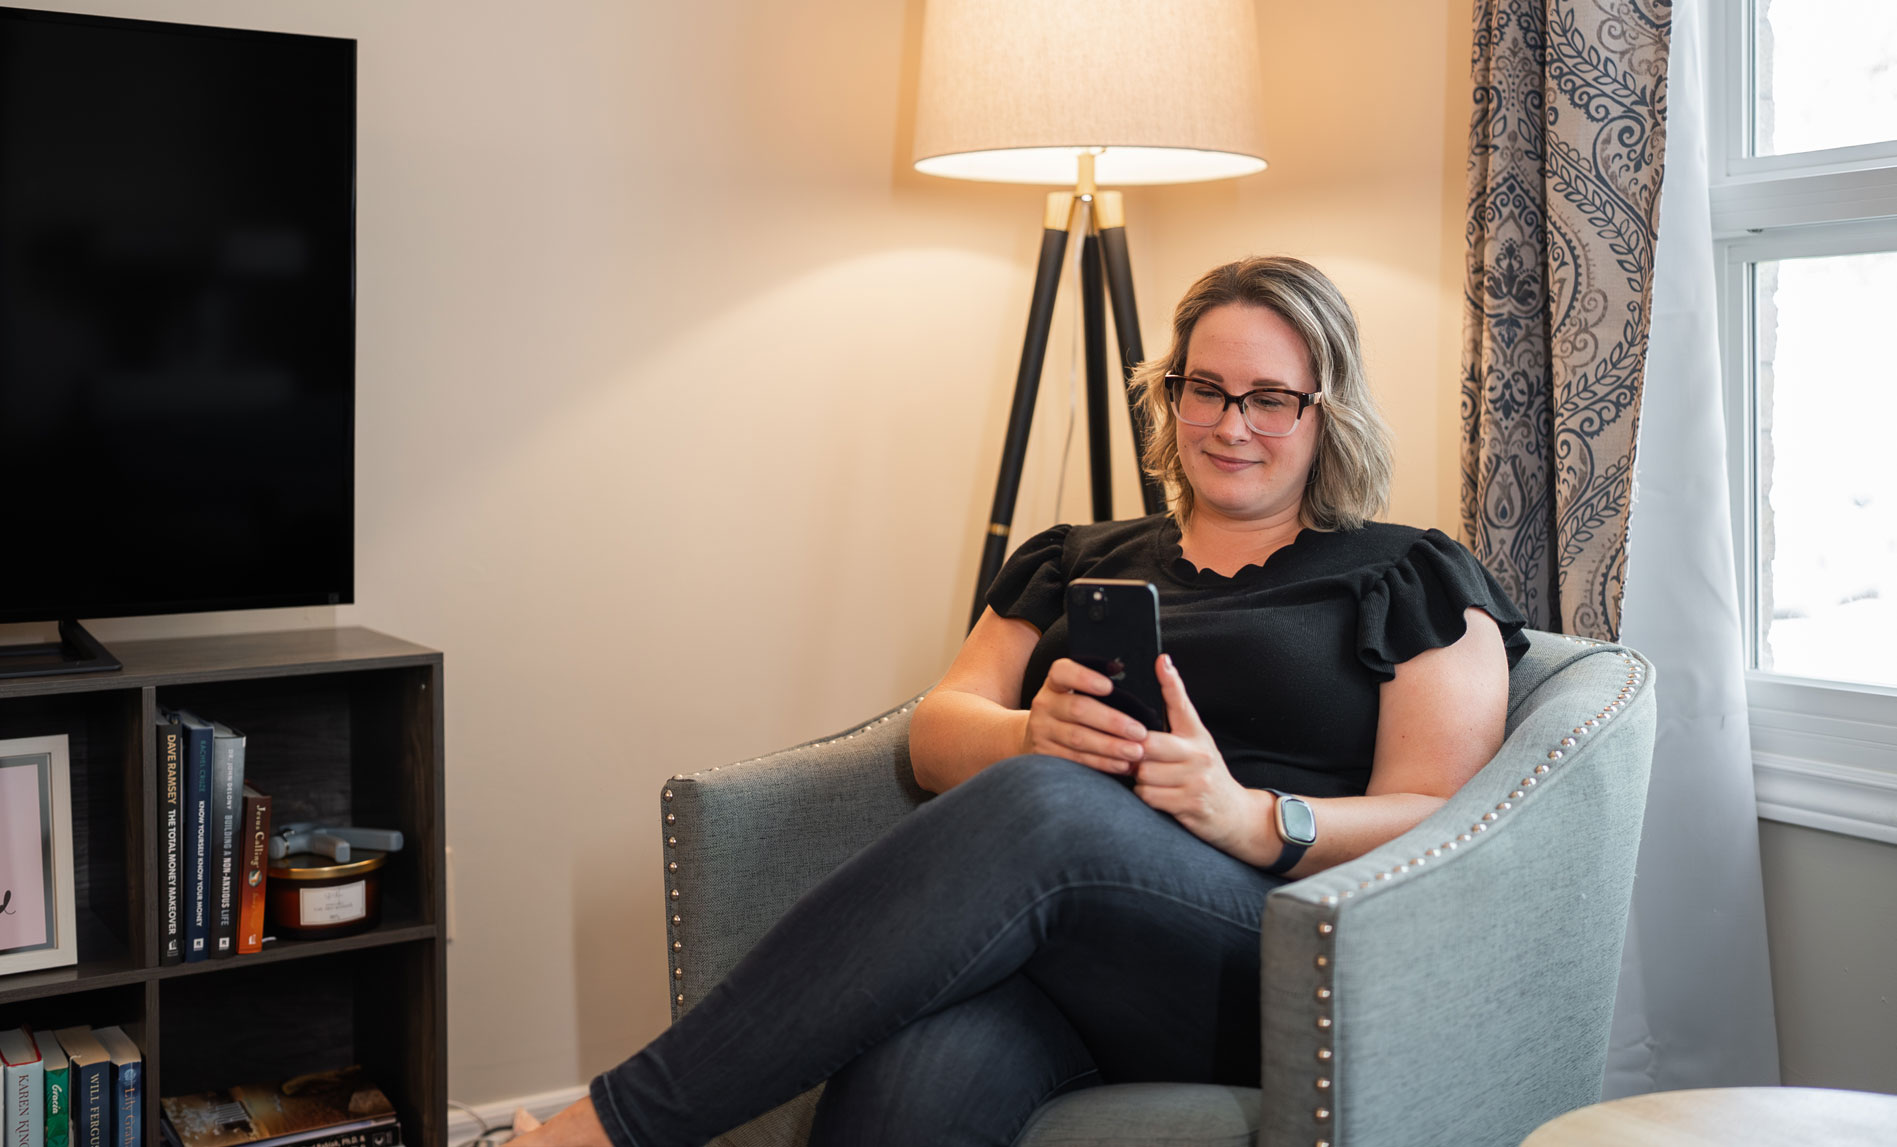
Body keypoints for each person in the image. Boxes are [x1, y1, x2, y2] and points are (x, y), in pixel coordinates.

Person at [517, 256, 1528, 1147]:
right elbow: (936, 729)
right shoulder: (1077, 558)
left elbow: (1448, 815)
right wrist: (1028, 731)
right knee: (906, 1070)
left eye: (1269, 397)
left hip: (1263, 954)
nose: (1230, 423)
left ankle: (607, 1129)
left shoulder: (1406, 573)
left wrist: (1254, 818)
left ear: (1325, 409)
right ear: (1168, 394)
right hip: (1063, 970)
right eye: (1204, 389)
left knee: (1046, 804)